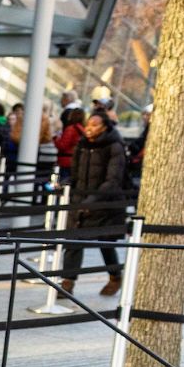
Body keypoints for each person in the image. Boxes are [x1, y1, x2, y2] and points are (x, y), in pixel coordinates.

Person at [60, 109, 128, 296]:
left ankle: (115, 276)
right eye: (88, 124)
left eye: (95, 125)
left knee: (105, 243)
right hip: (80, 201)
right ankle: (67, 282)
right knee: (73, 241)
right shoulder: (81, 145)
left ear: (105, 127)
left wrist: (92, 200)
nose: (89, 128)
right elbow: (75, 174)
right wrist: (65, 185)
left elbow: (113, 180)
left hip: (105, 204)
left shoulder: (114, 146)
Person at [54, 106, 86, 186]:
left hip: (66, 161)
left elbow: (63, 145)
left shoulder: (71, 129)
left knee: (62, 185)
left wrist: (55, 139)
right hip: (76, 161)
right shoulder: (83, 129)